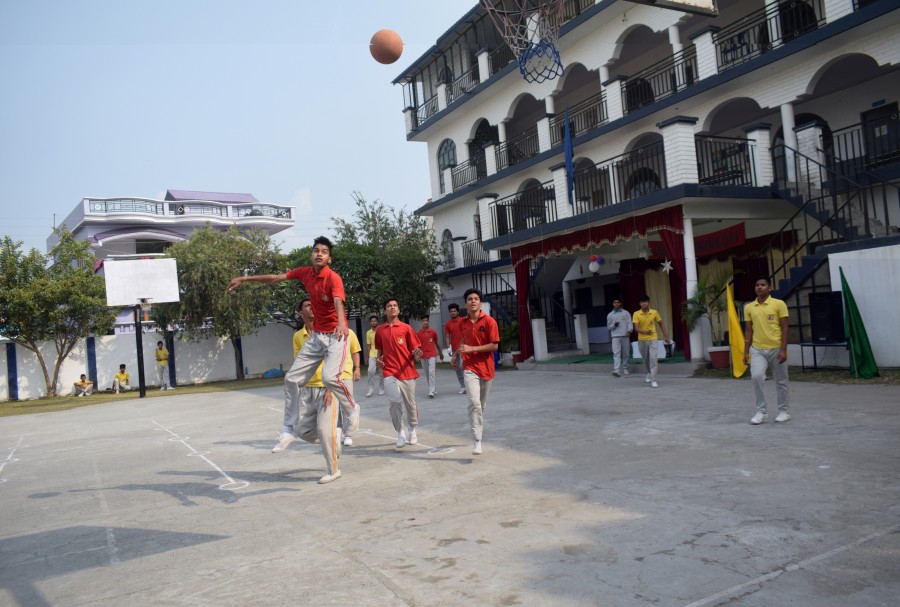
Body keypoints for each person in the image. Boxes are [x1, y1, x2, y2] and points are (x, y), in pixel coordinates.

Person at [226, 236, 358, 484]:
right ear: (312, 254)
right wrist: (244, 279)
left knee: (330, 379)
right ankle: (288, 429)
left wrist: (342, 322)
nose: (319, 254)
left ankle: (351, 412)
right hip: (318, 338)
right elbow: (276, 278)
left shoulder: (333, 278)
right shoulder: (305, 273)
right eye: (316, 250)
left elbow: (338, 301)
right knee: (291, 379)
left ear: (329, 258)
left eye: (324, 251)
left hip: (335, 336)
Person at [456, 288, 499, 455]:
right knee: (474, 403)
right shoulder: (462, 323)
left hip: (486, 369)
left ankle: (477, 425)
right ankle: (477, 439)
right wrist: (456, 354)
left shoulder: (490, 322)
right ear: (465, 304)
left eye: (476, 298)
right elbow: (463, 339)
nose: (473, 301)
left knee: (481, 405)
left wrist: (472, 348)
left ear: (480, 303)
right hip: (469, 368)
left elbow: (494, 345)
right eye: (470, 299)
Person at [375, 298, 422, 448]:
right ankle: (400, 433)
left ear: (399, 310)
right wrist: (378, 360)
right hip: (389, 371)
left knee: (410, 404)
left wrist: (417, 353)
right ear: (385, 311)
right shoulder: (380, 330)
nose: (392, 307)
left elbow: (415, 349)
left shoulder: (406, 328)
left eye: (395, 305)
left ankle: (412, 429)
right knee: (394, 401)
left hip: (407, 371)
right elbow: (379, 349)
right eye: (389, 306)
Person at [743, 276, 791, 425]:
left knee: (781, 380)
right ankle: (761, 412)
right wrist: (746, 352)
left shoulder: (779, 304)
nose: (759, 287)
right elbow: (748, 330)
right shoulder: (749, 307)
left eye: (763, 285)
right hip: (757, 349)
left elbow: (785, 327)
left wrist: (783, 349)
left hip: (776, 348)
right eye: (757, 285)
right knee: (756, 376)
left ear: (769, 288)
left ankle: (784, 411)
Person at [632, 295, 670, 389]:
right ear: (640, 304)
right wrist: (645, 332)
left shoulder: (654, 312)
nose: (644, 303)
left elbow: (660, 324)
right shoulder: (636, 314)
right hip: (642, 339)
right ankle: (649, 372)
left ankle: (654, 379)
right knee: (646, 359)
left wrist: (665, 336)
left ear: (648, 303)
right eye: (642, 302)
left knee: (653, 358)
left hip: (653, 337)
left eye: (646, 301)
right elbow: (636, 328)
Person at [417, 314, 443, 398]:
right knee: (427, 373)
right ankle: (433, 389)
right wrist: (417, 355)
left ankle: (431, 391)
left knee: (432, 372)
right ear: (421, 322)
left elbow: (437, 343)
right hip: (423, 355)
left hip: (432, 354)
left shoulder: (433, 332)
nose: (425, 322)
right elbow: (417, 346)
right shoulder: (419, 333)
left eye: (426, 321)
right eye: (423, 321)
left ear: (429, 321)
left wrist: (441, 353)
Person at [606, 297, 632, 377]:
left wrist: (629, 331)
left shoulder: (626, 313)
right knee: (616, 353)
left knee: (626, 353)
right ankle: (617, 370)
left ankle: (626, 368)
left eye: (618, 302)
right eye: (615, 302)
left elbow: (629, 323)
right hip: (615, 336)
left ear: (620, 303)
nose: (616, 304)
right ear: (613, 304)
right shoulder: (610, 315)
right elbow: (608, 327)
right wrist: (614, 325)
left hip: (625, 335)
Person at [444, 303, 466, 394]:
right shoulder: (448, 324)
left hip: (463, 348)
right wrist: (448, 347)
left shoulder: (463, 321)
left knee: (462, 366)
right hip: (454, 349)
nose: (453, 313)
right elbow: (447, 336)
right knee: (456, 368)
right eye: (451, 311)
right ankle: (463, 386)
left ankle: (468, 384)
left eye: (454, 311)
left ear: (457, 312)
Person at [365, 315, 384, 397]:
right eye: (372, 321)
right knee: (370, 371)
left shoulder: (381, 330)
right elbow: (369, 346)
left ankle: (381, 388)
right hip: (372, 354)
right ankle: (370, 389)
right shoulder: (368, 333)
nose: (374, 322)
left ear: (377, 322)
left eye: (375, 321)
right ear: (370, 323)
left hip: (381, 354)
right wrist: (367, 357)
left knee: (381, 372)